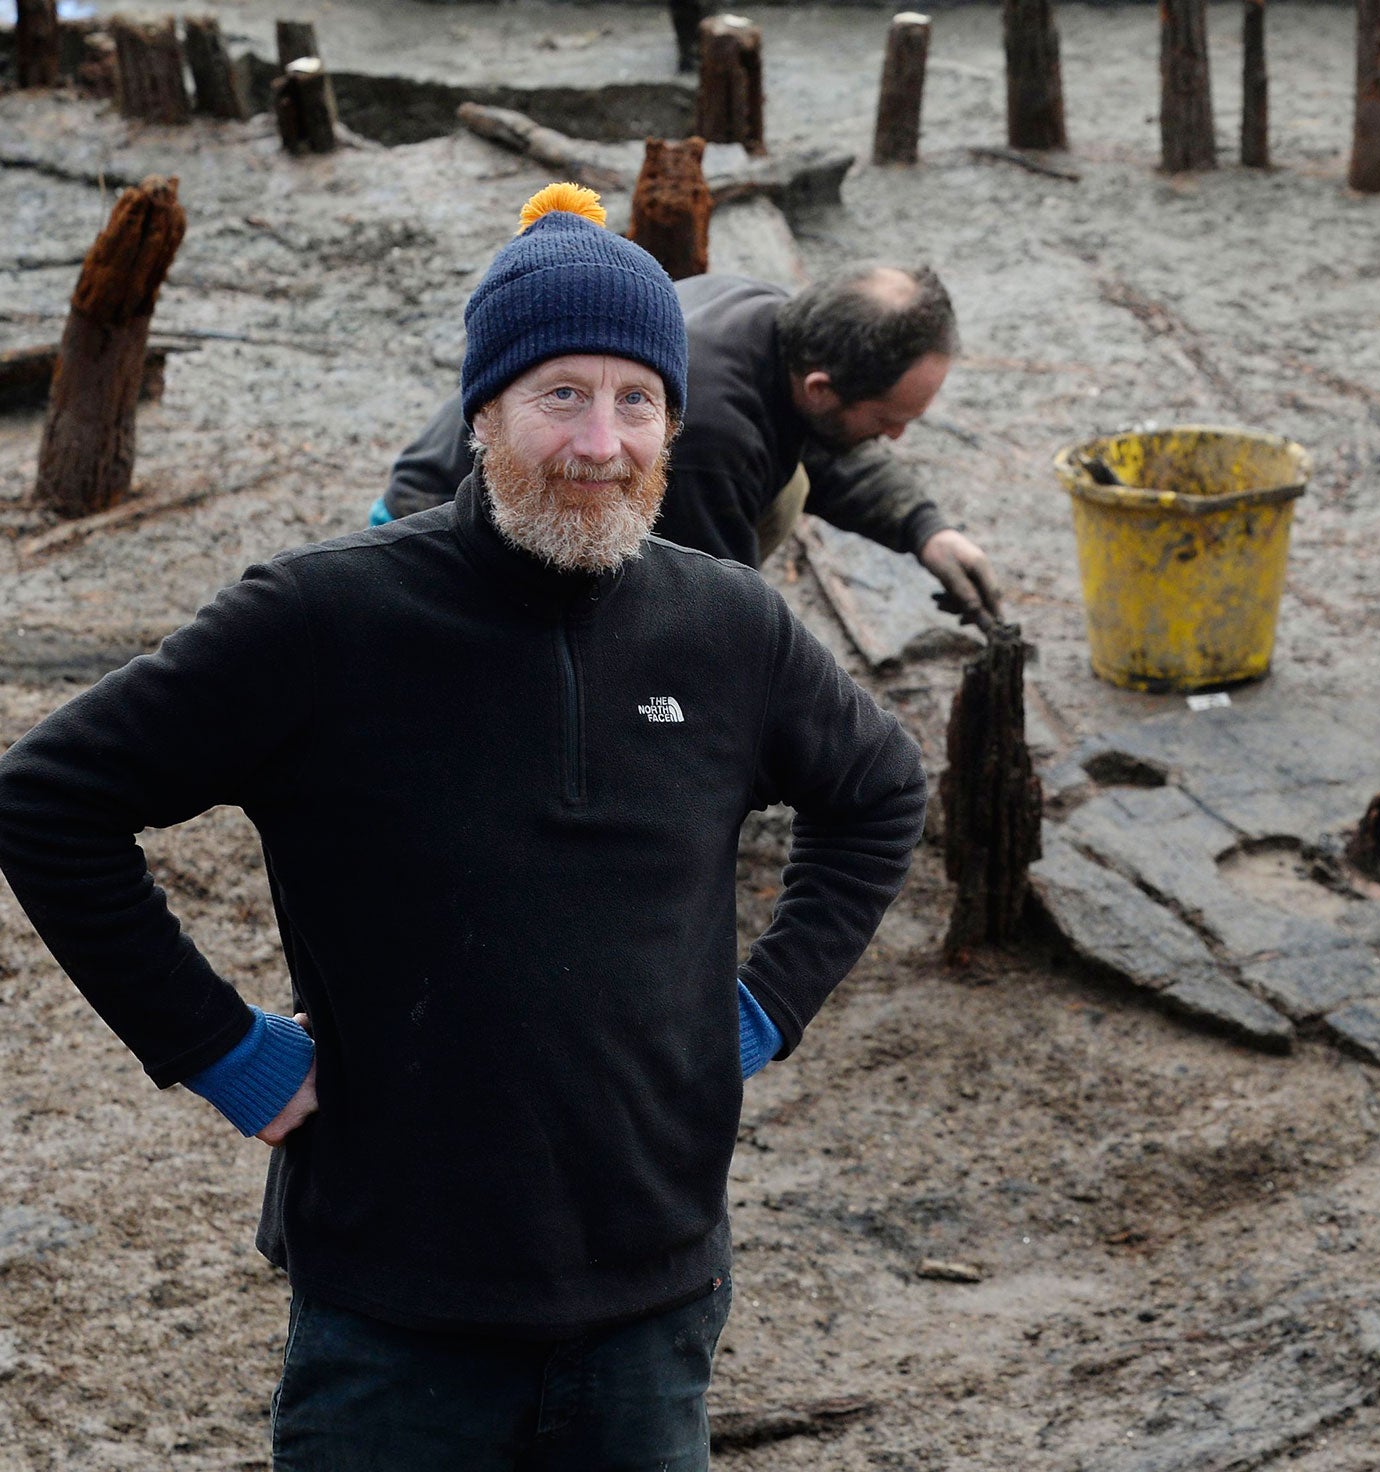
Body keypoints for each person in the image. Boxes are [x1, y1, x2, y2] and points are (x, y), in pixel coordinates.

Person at [0, 184, 928, 1469]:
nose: (600, 443)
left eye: (635, 400)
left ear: (672, 416)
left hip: (653, 1297)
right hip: (395, 1313)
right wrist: (219, 1049)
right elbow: (49, 798)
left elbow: (879, 791)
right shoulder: (325, 621)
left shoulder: (729, 628)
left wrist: (763, 1008)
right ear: (482, 409)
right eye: (560, 395)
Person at [375, 264, 1006, 630]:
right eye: (889, 420)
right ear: (819, 386)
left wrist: (926, 530)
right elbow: (707, 620)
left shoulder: (770, 316)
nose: (894, 438)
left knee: (788, 483)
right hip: (443, 539)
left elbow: (828, 442)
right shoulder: (712, 438)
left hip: (525, 487)